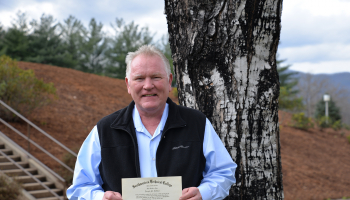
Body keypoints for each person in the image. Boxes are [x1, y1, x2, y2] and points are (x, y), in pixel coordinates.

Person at [67, 45, 237, 200]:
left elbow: (223, 172)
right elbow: (80, 187)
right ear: (128, 84)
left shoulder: (197, 123)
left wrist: (204, 193)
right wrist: (100, 198)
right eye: (139, 78)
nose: (148, 86)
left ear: (169, 81)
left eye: (156, 77)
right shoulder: (104, 130)